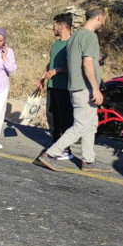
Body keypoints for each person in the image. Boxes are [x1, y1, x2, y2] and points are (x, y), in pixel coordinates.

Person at [35, 5, 112, 173]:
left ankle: (89, 160)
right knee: (80, 126)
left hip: (75, 88)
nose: (104, 22)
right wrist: (95, 88)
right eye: (104, 19)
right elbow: (87, 63)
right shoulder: (90, 36)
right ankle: (50, 154)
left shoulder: (75, 36)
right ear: (99, 18)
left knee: (91, 125)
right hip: (84, 88)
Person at [38, 13, 74, 160]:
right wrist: (42, 76)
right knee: (52, 117)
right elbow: (51, 62)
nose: (53, 28)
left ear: (62, 25)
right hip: (52, 86)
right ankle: (55, 145)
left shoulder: (72, 43)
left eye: (54, 25)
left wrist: (57, 71)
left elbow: (73, 66)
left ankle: (66, 150)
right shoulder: (55, 44)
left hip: (65, 87)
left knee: (65, 119)